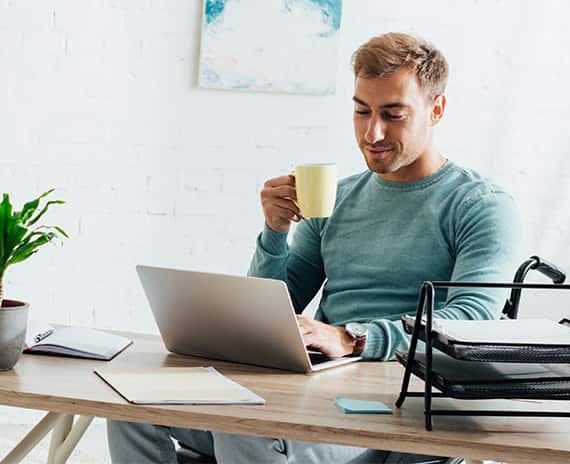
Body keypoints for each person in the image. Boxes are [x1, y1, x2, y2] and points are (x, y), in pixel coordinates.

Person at [107, 32, 520, 464]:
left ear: (437, 109)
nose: (372, 132)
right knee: (129, 406)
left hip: (395, 403)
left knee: (244, 433)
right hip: (316, 385)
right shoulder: (337, 198)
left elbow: (470, 322)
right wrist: (274, 231)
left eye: (393, 114)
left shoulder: (481, 206)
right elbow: (271, 312)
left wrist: (351, 337)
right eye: (361, 112)